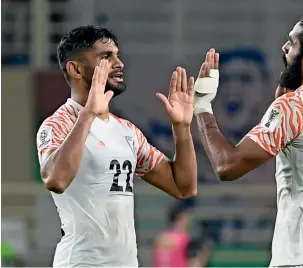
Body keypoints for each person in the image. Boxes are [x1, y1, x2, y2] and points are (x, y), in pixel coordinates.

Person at [193, 13, 303, 267]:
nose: (284, 48)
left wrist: (201, 105)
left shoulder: (297, 105)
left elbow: (227, 165)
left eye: (292, 43)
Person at [36, 25, 197, 267]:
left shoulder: (126, 131)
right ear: (76, 68)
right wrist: (88, 114)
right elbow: (56, 180)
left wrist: (182, 127)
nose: (119, 63)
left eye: (117, 54)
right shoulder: (58, 124)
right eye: (106, 56)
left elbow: (182, 187)